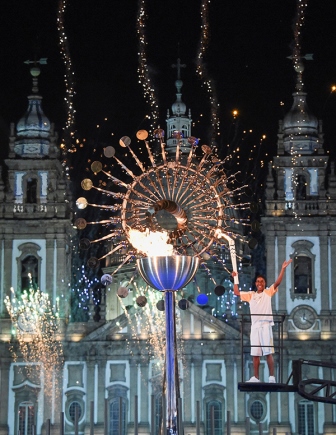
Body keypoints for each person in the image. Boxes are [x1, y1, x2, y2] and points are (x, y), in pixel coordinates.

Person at [233, 259, 292, 383]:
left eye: (262, 281)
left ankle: (271, 377)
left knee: (268, 352)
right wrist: (235, 279)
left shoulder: (267, 293)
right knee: (255, 354)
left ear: (264, 284)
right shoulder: (251, 295)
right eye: (258, 281)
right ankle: (256, 377)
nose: (260, 283)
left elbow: (277, 283)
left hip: (265, 326)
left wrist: (283, 269)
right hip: (255, 327)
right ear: (255, 283)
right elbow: (236, 292)